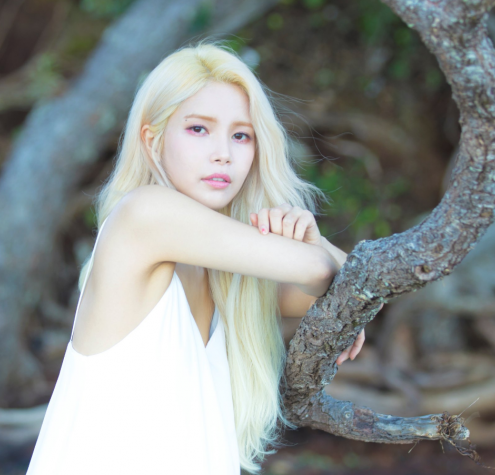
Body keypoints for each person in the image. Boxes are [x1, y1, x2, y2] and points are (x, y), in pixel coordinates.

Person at [25, 39, 365, 475]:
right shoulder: (143, 216)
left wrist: (313, 239)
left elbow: (356, 289)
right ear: (152, 140)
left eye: (241, 135)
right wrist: (319, 261)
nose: (223, 152)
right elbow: (323, 275)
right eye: (199, 129)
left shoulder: (229, 278)